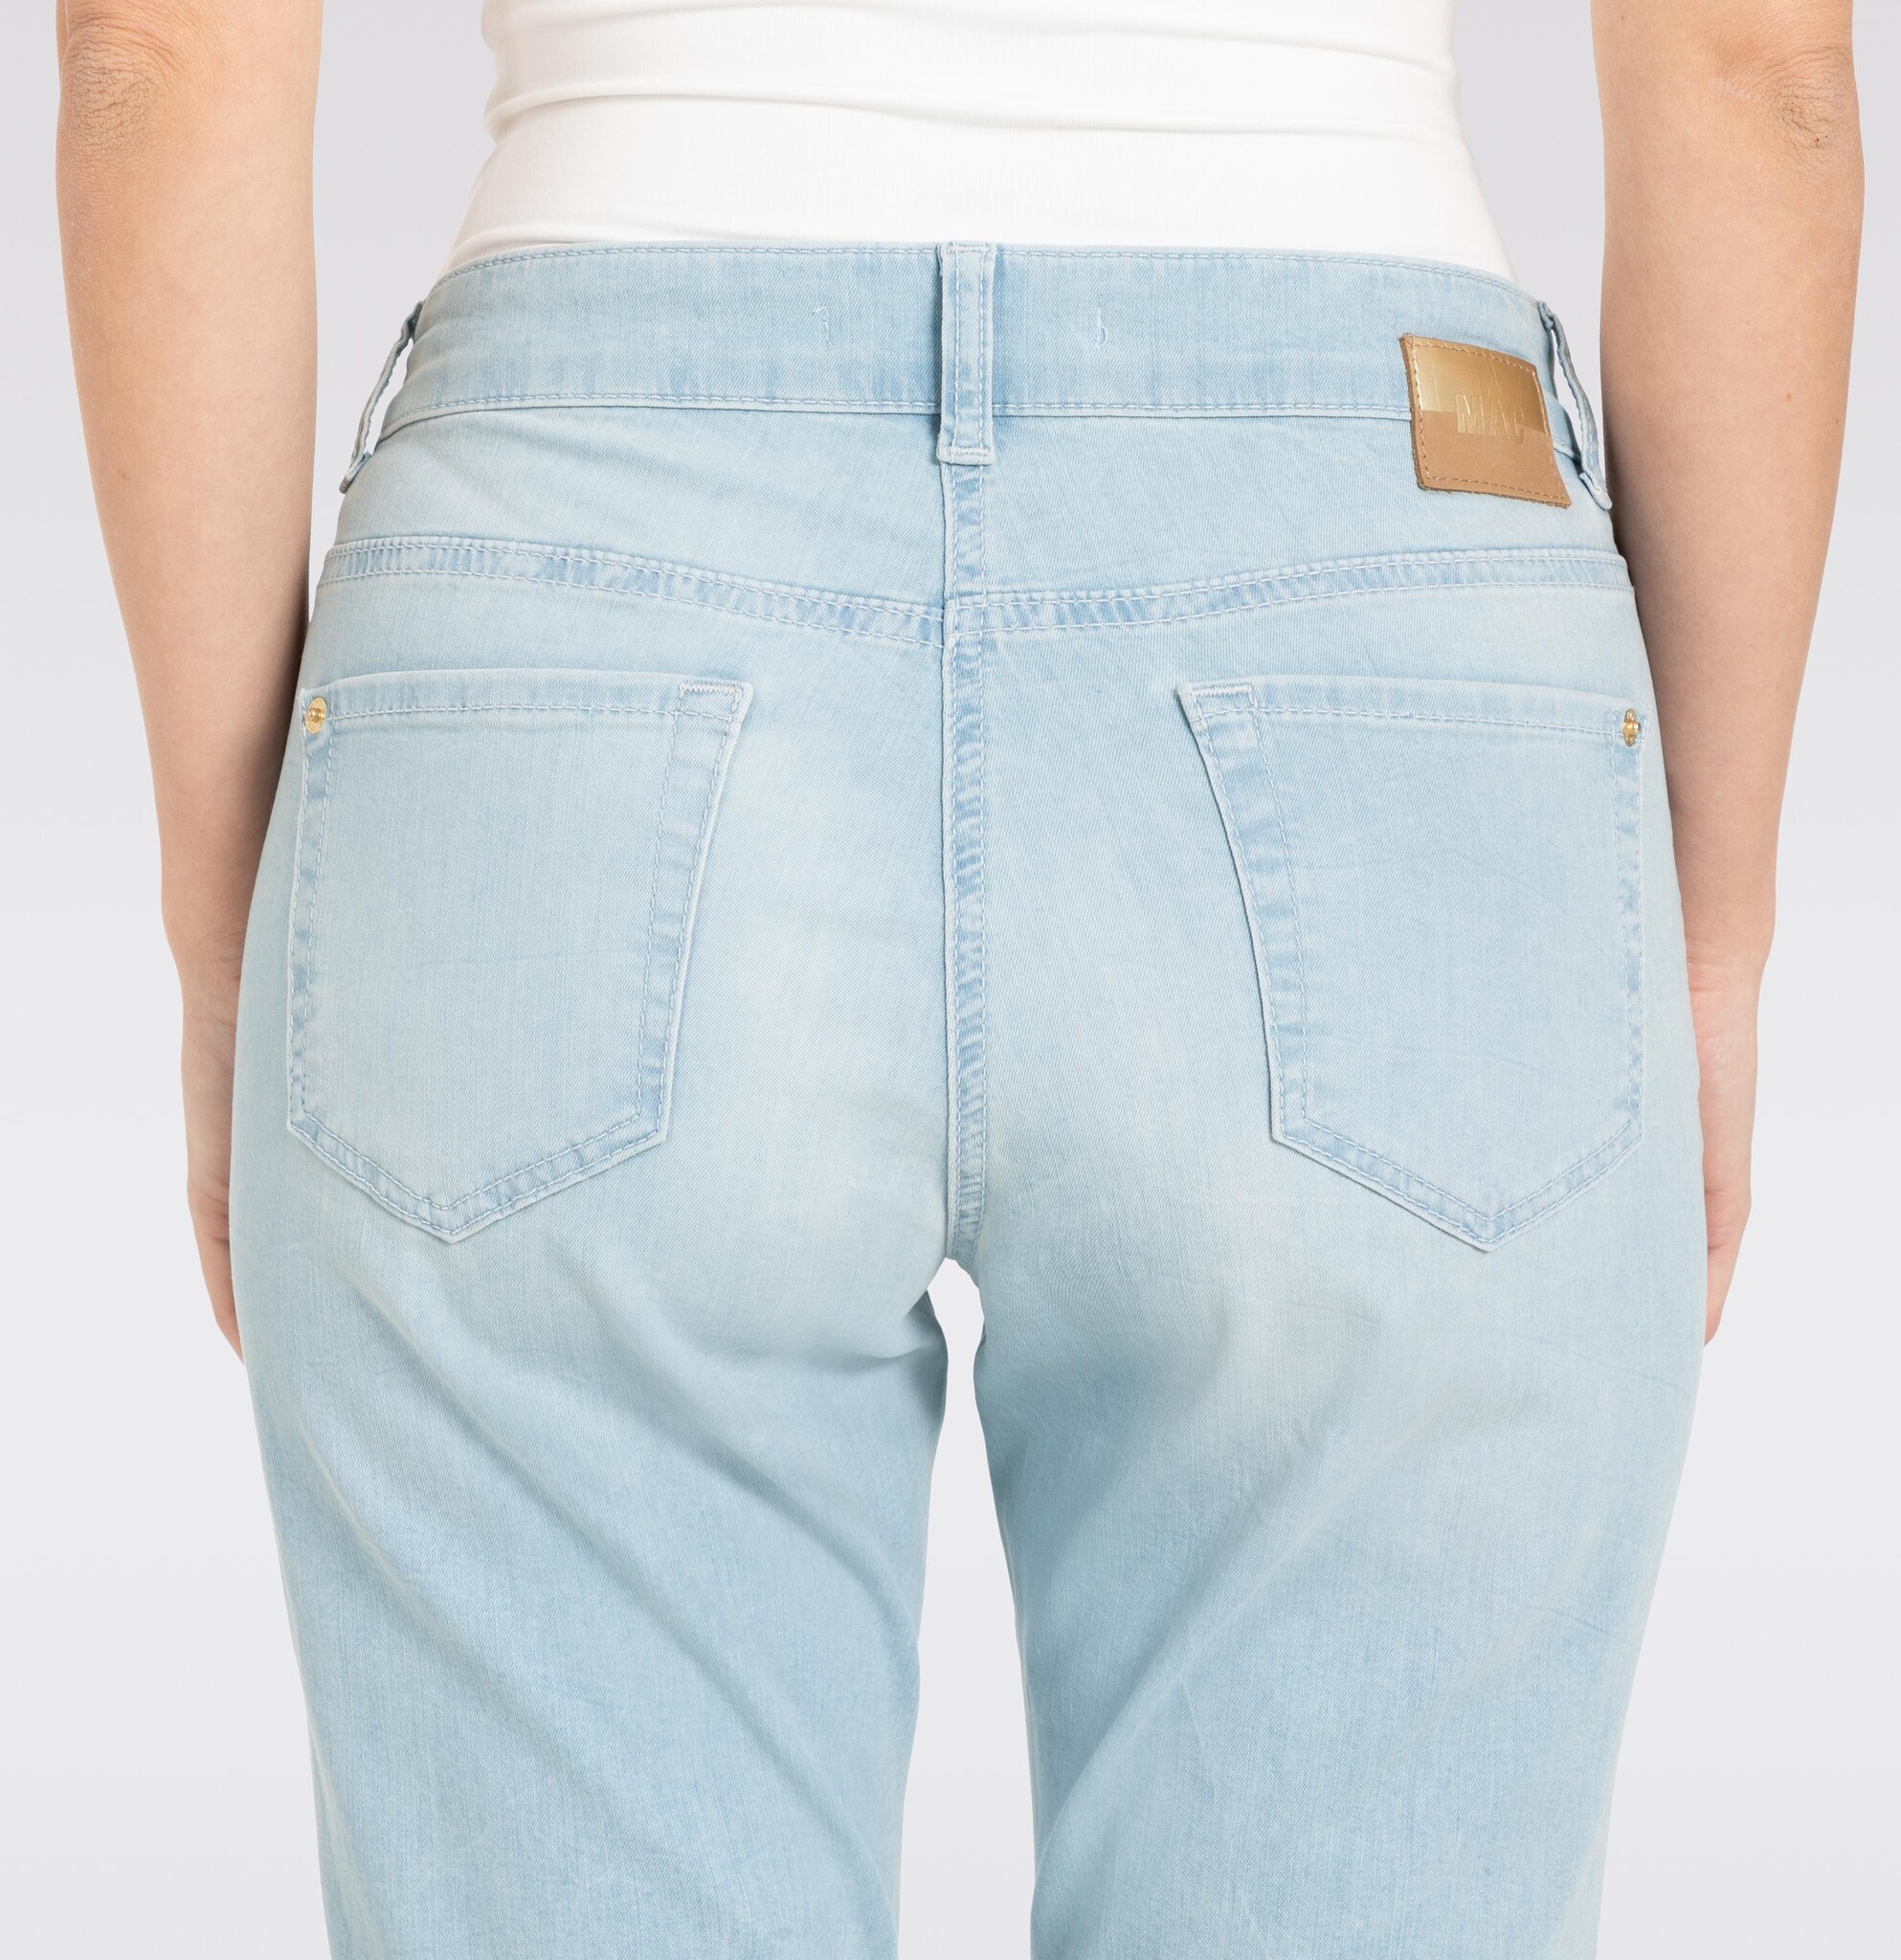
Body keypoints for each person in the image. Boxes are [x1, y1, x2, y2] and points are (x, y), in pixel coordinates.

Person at [56, 2, 1861, 1955]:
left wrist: (225, 930)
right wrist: (1716, 931)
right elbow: (1750, 62)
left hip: (569, 610)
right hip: (1384, 623)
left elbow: (164, 49)